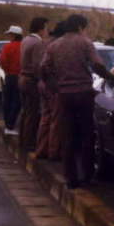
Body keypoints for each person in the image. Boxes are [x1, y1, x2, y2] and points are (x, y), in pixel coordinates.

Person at [41, 14, 114, 189]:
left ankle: (71, 178)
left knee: (67, 136)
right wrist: (110, 77)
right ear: (80, 27)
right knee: (86, 135)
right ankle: (87, 176)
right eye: (84, 28)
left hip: (64, 95)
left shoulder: (54, 46)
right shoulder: (85, 43)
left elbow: (43, 68)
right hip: (84, 93)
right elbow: (97, 65)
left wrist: (55, 87)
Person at [36, 24, 67, 162]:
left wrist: (43, 79)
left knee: (45, 118)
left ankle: (41, 150)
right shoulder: (58, 45)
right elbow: (45, 65)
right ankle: (53, 152)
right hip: (52, 85)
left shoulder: (44, 42)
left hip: (43, 84)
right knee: (56, 120)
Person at [18, 17, 49, 151]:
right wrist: (43, 79)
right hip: (31, 81)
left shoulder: (26, 39)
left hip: (22, 78)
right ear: (41, 29)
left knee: (25, 111)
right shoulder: (38, 43)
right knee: (33, 113)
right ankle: (29, 143)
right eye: (46, 28)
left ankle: (22, 140)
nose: (47, 31)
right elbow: (38, 65)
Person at [0, 25, 24, 135]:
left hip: (9, 75)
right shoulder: (23, 46)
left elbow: (2, 61)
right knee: (17, 101)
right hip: (20, 76)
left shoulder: (7, 47)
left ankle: (8, 124)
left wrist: (6, 70)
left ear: (14, 35)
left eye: (10, 34)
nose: (9, 36)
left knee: (7, 100)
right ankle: (11, 124)